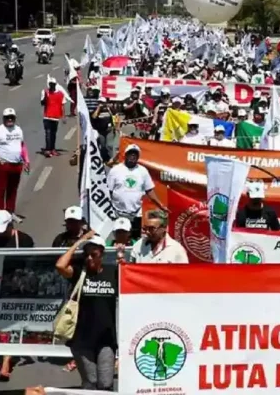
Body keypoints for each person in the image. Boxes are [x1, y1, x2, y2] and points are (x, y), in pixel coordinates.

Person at [55, 231, 117, 390]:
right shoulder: (79, 273)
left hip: (106, 338)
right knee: (90, 381)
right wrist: (79, 242)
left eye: (94, 254)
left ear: (101, 254)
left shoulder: (113, 273)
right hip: (81, 339)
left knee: (106, 383)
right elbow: (60, 265)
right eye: (87, 254)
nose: (89, 258)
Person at [0, 210, 34, 380]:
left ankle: (6, 360)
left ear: (11, 225)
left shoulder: (24, 240)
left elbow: (33, 264)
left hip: (15, 287)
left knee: (9, 325)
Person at [107, 144, 167, 240]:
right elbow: (108, 192)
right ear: (125, 155)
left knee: (134, 240)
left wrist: (160, 205)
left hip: (136, 215)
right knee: (120, 239)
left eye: (135, 154)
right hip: (118, 214)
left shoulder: (143, 171)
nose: (133, 156)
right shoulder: (115, 170)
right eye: (131, 153)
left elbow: (149, 190)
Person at [0, 108, 30, 213]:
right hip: (3, 164)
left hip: (17, 164)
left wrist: (26, 160)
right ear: (3, 118)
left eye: (12, 117)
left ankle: (10, 212)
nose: (10, 119)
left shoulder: (18, 130)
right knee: (1, 189)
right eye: (7, 118)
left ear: (14, 118)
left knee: (13, 189)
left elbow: (22, 145)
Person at [41, 77, 66, 157]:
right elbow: (42, 103)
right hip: (47, 116)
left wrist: (63, 117)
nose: (51, 86)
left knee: (53, 134)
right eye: (50, 84)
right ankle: (48, 150)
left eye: (53, 84)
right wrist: (45, 96)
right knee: (48, 133)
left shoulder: (61, 94)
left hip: (55, 117)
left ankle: (53, 149)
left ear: (55, 85)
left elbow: (62, 106)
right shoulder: (45, 92)